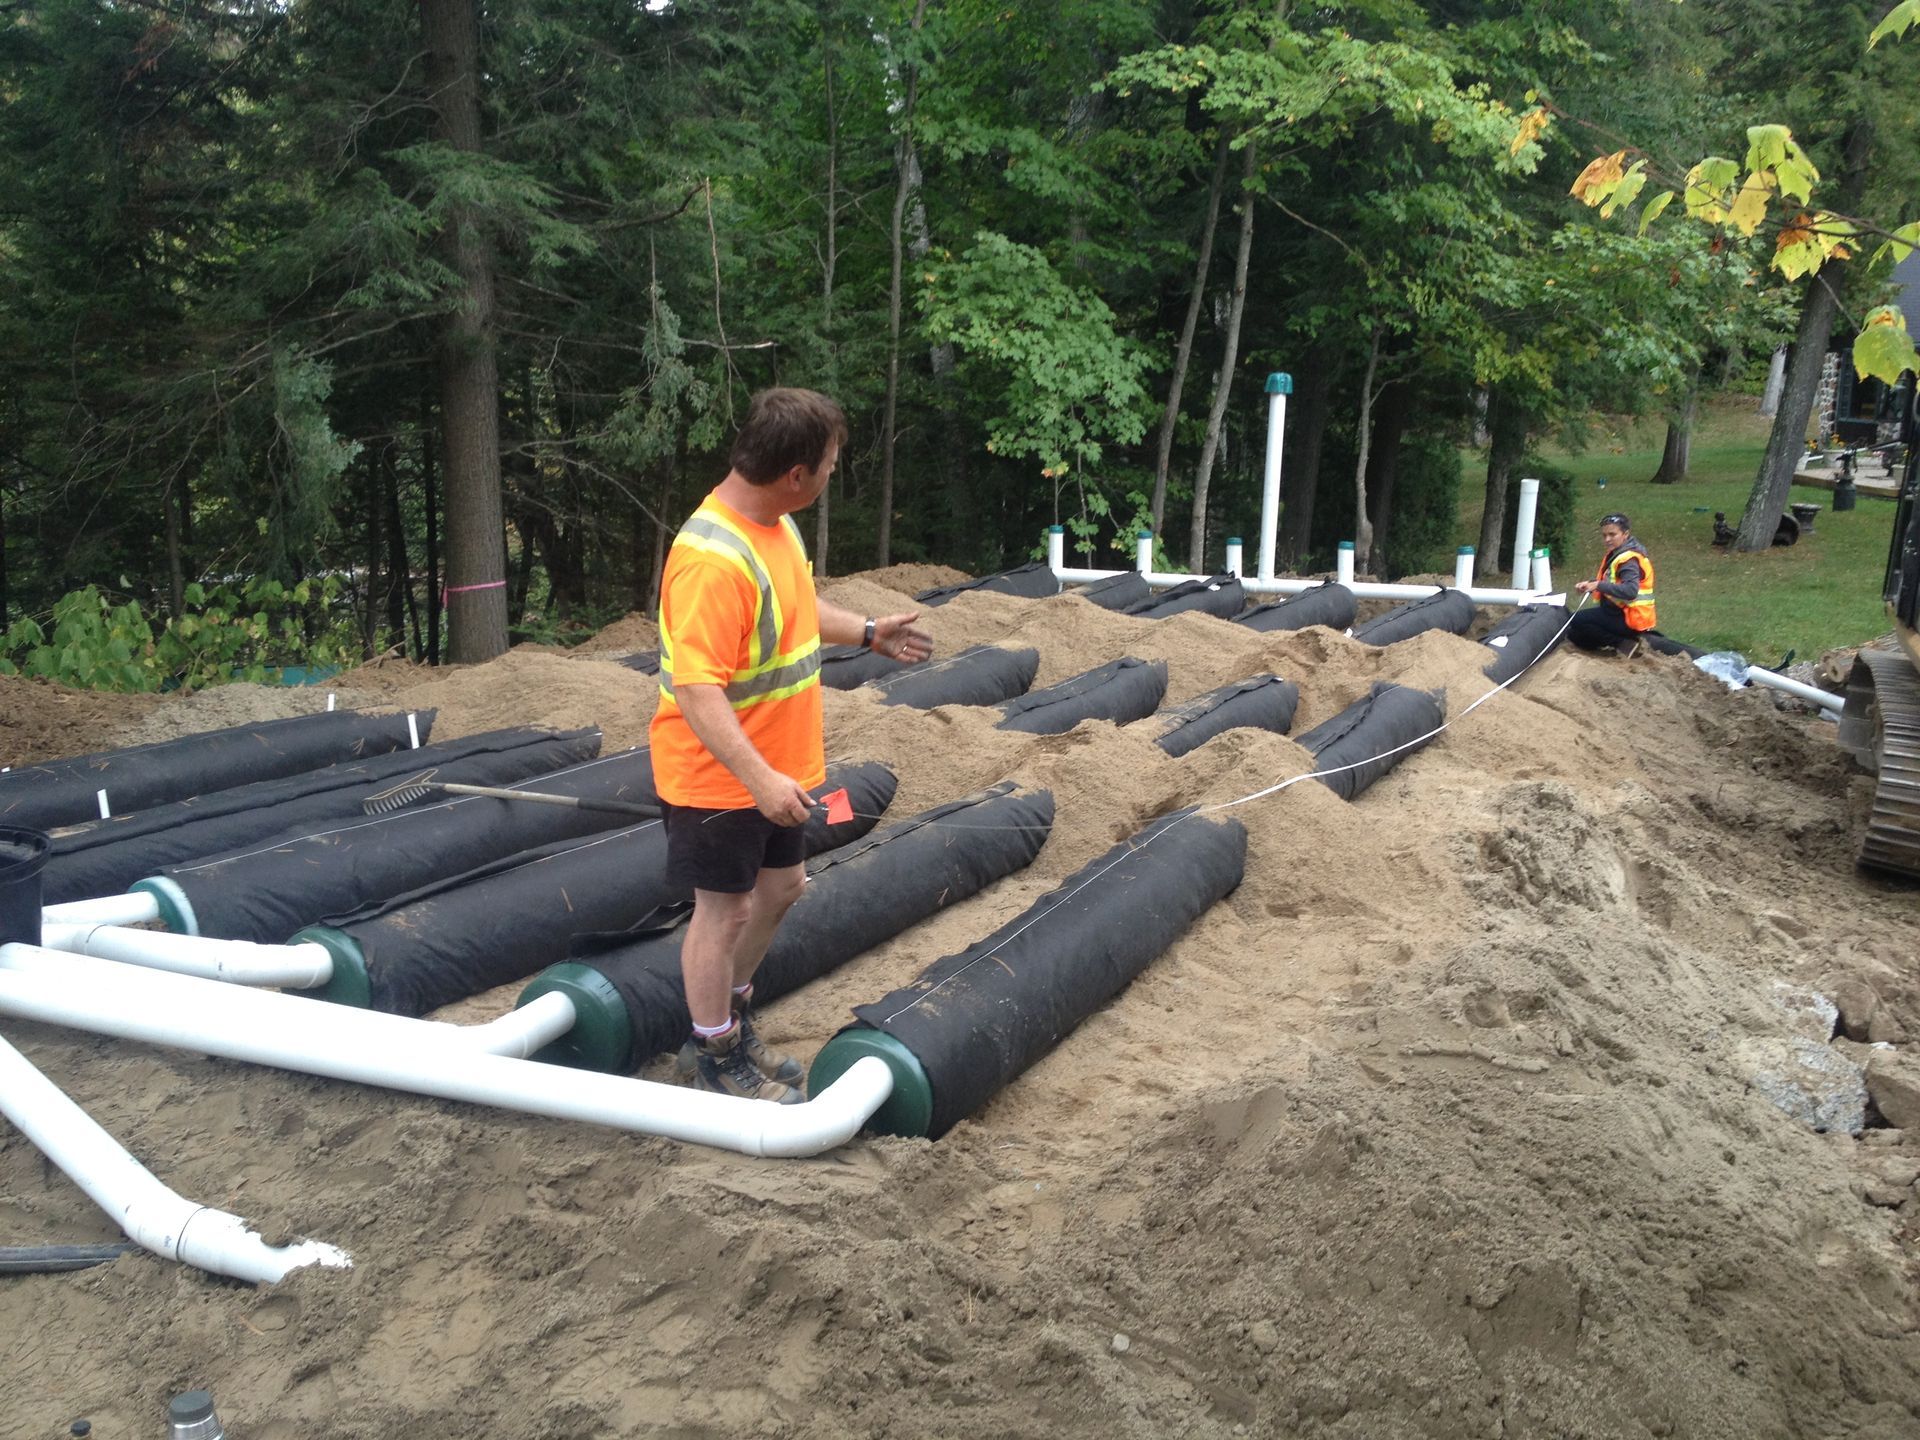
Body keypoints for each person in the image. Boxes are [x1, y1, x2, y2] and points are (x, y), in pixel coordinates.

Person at [650, 388, 932, 1104]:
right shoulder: (712, 560)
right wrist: (759, 780)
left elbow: (796, 613)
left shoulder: (773, 525)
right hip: (721, 777)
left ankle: (728, 1025)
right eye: (832, 464)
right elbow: (696, 690)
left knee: (781, 889)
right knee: (724, 913)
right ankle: (713, 1054)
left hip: (776, 768)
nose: (835, 474)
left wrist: (869, 632)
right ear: (795, 474)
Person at [1570, 511, 1656, 657]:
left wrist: (1597, 585)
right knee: (1576, 636)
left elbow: (1630, 591)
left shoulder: (1628, 559)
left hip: (1630, 618)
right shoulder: (1619, 553)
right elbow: (1612, 581)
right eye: (1604, 535)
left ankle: (1623, 644)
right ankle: (1618, 642)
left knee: (1576, 620)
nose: (1607, 539)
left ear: (1625, 534)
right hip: (1619, 612)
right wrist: (1590, 585)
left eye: (1612, 534)